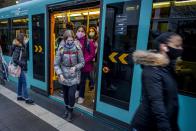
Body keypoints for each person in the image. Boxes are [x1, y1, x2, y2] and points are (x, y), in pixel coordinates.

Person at [131, 32, 183, 131]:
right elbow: (156, 103)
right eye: (177, 45)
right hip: (145, 125)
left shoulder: (168, 69)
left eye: (181, 46)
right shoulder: (152, 70)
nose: (180, 49)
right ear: (164, 47)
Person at [54, 30, 84, 122]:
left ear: (74, 39)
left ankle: (70, 111)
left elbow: (82, 62)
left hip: (74, 75)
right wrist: (60, 74)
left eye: (71, 40)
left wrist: (75, 67)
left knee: (71, 95)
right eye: (68, 40)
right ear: (65, 39)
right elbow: (56, 64)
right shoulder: (61, 48)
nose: (70, 42)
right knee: (66, 95)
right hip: (63, 75)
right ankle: (67, 109)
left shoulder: (78, 48)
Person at [75, 25, 96, 104]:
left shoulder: (89, 42)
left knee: (82, 81)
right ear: (76, 32)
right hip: (76, 65)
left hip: (85, 66)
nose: (80, 33)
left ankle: (81, 96)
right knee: (77, 80)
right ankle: (77, 92)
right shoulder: (75, 41)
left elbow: (92, 54)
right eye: (78, 31)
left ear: (85, 32)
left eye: (82, 31)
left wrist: (84, 61)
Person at [12, 33, 34, 104]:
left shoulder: (21, 45)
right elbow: (15, 59)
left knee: (20, 82)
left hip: (20, 67)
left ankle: (19, 96)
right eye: (24, 38)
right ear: (21, 40)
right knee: (24, 82)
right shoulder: (18, 47)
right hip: (19, 67)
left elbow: (26, 42)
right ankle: (27, 98)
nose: (25, 39)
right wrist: (22, 63)